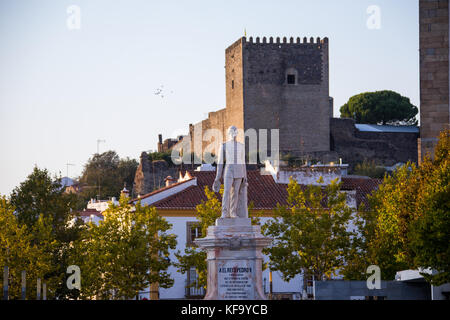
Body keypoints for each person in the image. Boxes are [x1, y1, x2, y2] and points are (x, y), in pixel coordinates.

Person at [213, 126, 248, 218]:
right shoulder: (224, 145)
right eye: (232, 132)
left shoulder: (241, 146)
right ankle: (224, 212)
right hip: (228, 169)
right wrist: (217, 177)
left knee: (235, 192)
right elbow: (220, 162)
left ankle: (233, 212)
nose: (233, 134)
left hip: (239, 170)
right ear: (228, 133)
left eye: (235, 132)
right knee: (227, 191)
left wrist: (245, 176)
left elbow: (243, 161)